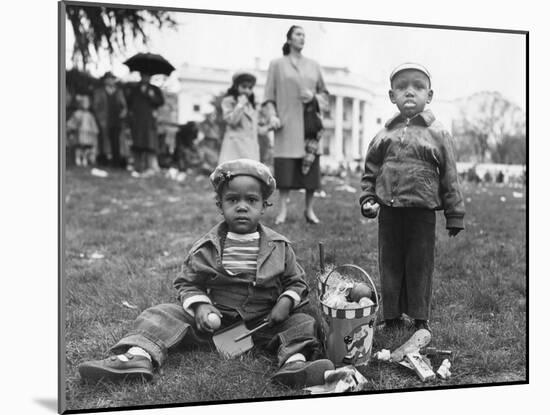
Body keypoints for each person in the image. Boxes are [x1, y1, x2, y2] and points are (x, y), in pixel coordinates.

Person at [78, 159, 334, 388]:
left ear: (264, 206)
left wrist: (286, 301)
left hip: (265, 323)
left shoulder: (279, 246)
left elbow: (296, 281)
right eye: (233, 200)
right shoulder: (207, 246)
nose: (242, 207)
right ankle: (138, 356)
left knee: (303, 322)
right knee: (160, 314)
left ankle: (294, 363)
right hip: (215, 323)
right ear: (220, 206)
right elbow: (188, 283)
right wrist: (201, 308)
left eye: (251, 201)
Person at [359, 63, 465, 332]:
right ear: (391, 95)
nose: (410, 92)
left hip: (422, 213)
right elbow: (370, 171)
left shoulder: (438, 133)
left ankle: (420, 320)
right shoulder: (384, 134)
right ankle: (391, 317)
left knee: (420, 264)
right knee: (390, 263)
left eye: (417, 86)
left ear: (429, 96)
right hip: (390, 213)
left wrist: (454, 214)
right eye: (402, 87)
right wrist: (368, 198)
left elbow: (450, 175)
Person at [263, 25, 329, 225]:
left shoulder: (314, 65)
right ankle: (282, 211)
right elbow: (268, 97)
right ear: (289, 39)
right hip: (286, 124)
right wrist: (272, 116)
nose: (302, 38)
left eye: (304, 35)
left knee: (311, 170)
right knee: (285, 169)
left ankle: (309, 210)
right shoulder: (277, 64)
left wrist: (314, 97)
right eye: (298, 34)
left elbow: (325, 95)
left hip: (309, 126)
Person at [218, 71, 262, 164]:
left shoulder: (251, 106)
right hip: (234, 150)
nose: (247, 91)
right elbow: (231, 121)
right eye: (244, 87)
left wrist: (268, 127)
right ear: (236, 86)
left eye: (250, 88)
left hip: (250, 151)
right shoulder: (229, 101)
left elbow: (255, 129)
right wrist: (240, 105)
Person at [127, 72, 165, 175]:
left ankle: (150, 167)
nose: (145, 78)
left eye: (147, 76)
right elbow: (129, 102)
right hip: (137, 120)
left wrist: (152, 96)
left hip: (149, 121)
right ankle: (137, 166)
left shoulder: (154, 89)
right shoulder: (134, 89)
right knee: (137, 143)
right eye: (144, 76)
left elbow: (161, 101)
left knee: (149, 143)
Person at [92, 72, 128, 167]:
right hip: (104, 119)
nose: (110, 80)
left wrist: (123, 112)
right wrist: (99, 117)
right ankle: (103, 160)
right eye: (108, 78)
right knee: (103, 141)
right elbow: (96, 106)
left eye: (112, 78)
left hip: (117, 120)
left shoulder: (119, 92)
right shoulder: (99, 92)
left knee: (117, 140)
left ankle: (116, 161)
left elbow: (124, 106)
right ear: (104, 80)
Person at [66, 95, 99, 167]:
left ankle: (85, 159)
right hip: (80, 133)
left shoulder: (90, 114)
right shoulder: (78, 113)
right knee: (79, 147)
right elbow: (73, 122)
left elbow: (93, 124)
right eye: (84, 103)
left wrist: (95, 130)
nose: (86, 104)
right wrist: (71, 128)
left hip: (88, 134)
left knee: (87, 147)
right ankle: (78, 159)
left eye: (87, 103)